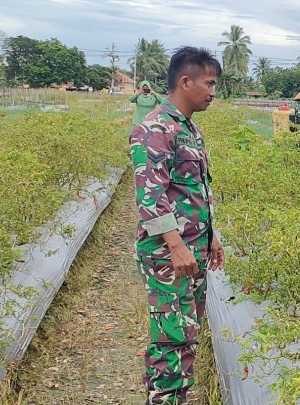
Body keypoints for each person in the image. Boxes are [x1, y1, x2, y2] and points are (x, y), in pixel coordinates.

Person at [128, 46, 226, 405]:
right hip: (169, 253)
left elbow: (197, 188)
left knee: (188, 333)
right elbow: (150, 196)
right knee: (171, 336)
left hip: (192, 248)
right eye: (209, 83)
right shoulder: (153, 128)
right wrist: (175, 245)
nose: (213, 92)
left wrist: (211, 237)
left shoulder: (190, 129)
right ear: (185, 82)